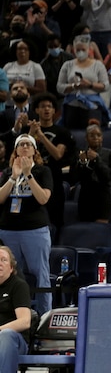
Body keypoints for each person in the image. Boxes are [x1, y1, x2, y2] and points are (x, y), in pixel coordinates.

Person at [0, 134, 53, 315]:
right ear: (15, 150)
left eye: (28, 144)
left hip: (35, 230)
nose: (24, 147)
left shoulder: (42, 171)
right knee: (12, 276)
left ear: (34, 150)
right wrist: (13, 178)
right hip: (9, 230)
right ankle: (13, 316)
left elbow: (43, 198)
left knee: (41, 275)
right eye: (21, 144)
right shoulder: (7, 172)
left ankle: (45, 317)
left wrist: (28, 174)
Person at [29, 92, 74, 234]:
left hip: (54, 180)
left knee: (55, 221)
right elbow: (22, 150)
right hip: (32, 179)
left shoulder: (61, 132)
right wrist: (31, 133)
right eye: (43, 106)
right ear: (36, 110)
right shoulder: (29, 131)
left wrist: (41, 136)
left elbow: (57, 154)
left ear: (54, 110)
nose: (47, 109)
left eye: (50, 106)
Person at [0, 246, 33, 373]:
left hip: (15, 341)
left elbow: (24, 321)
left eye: (3, 260)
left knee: (5, 335)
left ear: (11, 268)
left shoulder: (18, 286)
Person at [56, 34, 111, 130]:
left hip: (92, 106)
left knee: (92, 132)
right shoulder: (68, 65)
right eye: (78, 50)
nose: (80, 52)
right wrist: (74, 86)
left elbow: (105, 86)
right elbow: (60, 87)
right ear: (74, 50)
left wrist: (90, 85)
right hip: (72, 105)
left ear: (89, 49)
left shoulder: (98, 65)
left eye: (83, 49)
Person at [70, 119, 111, 223]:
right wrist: (81, 162)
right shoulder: (80, 155)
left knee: (100, 230)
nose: (96, 138)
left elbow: (109, 177)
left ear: (102, 137)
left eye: (98, 135)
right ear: (86, 138)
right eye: (92, 135)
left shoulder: (109, 154)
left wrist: (97, 160)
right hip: (85, 199)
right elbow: (74, 177)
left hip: (102, 198)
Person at [40, 34, 73, 103]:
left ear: (60, 45)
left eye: (55, 46)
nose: (53, 48)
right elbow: (45, 83)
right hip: (54, 96)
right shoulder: (44, 64)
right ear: (47, 47)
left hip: (70, 92)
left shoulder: (69, 58)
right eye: (51, 47)